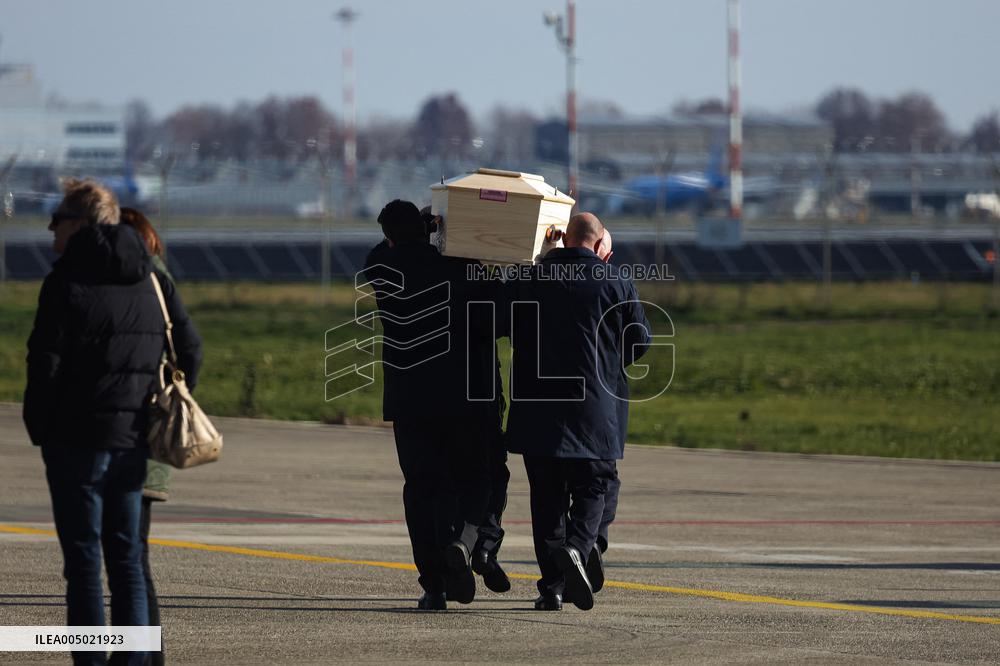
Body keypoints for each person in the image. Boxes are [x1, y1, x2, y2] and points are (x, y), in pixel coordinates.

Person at [23, 180, 200, 666]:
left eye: (57, 219)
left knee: (83, 565)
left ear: (81, 223)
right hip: (132, 440)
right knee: (126, 563)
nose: (51, 229)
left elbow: (44, 363)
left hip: (76, 441)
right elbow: (192, 349)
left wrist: (42, 428)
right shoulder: (147, 275)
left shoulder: (65, 279)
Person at [502, 213, 650, 611]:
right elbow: (639, 342)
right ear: (600, 244)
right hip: (593, 409)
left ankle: (552, 586)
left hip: (536, 409)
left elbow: (504, 323)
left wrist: (542, 259)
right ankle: (579, 548)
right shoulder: (615, 281)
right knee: (594, 486)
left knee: (546, 500)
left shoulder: (530, 279)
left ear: (562, 238)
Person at [362, 200, 496, 610]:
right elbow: (491, 291)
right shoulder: (455, 266)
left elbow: (376, 254)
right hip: (459, 395)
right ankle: (461, 542)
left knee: (421, 490)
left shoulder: (382, 270)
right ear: (426, 231)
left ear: (390, 235)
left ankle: (433, 583)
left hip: (409, 400)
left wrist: (417, 229)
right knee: (467, 480)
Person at [119, 208, 203, 666]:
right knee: (134, 558)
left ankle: (136, 656)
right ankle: (147, 655)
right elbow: (191, 350)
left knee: (121, 561)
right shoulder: (160, 278)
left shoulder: (141, 280)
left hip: (123, 437)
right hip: (150, 437)